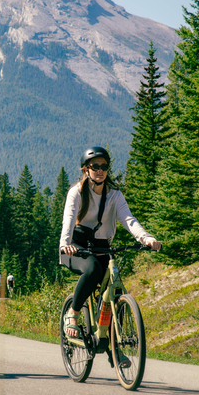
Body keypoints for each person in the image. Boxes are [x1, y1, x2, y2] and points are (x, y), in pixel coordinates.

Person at [59, 147, 161, 367]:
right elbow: (68, 220)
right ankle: (73, 313)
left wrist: (146, 238)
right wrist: (65, 244)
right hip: (76, 248)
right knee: (93, 269)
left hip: (103, 247)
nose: (100, 170)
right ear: (85, 169)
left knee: (114, 293)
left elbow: (129, 220)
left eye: (104, 166)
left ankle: (114, 349)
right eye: (95, 166)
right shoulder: (76, 192)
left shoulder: (115, 195)